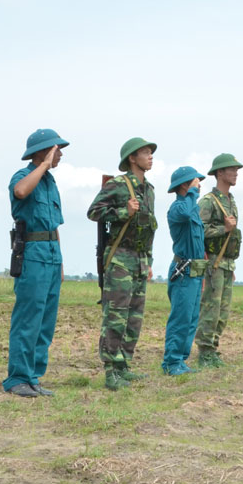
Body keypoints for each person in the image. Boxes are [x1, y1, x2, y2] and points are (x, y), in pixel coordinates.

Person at [2, 129, 70, 398]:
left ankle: (33, 377)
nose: (61, 154)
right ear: (43, 151)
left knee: (45, 320)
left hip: (52, 253)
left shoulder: (50, 182)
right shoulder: (23, 176)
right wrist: (42, 164)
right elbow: (20, 192)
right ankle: (17, 378)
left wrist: (61, 262)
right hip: (32, 252)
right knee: (28, 318)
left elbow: (55, 225)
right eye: (56, 149)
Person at [88, 137, 159, 390]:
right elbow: (94, 211)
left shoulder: (148, 189)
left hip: (139, 259)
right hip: (119, 258)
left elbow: (148, 228)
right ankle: (110, 370)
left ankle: (124, 365)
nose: (150, 156)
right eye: (145, 152)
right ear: (132, 158)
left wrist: (148, 261)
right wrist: (122, 212)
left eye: (151, 152)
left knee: (134, 317)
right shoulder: (119, 185)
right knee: (116, 316)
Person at [195, 153, 243, 368]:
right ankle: (205, 351)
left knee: (223, 311)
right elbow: (198, 230)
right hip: (213, 262)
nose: (235, 173)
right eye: (231, 169)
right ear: (220, 173)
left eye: (236, 170)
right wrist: (224, 228)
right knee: (210, 309)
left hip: (226, 262)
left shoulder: (230, 201)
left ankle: (213, 348)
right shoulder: (208, 201)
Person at [162, 166, 208, 376]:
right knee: (180, 317)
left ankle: (181, 360)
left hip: (196, 270)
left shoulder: (192, 208)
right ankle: (171, 362)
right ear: (184, 185)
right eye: (194, 181)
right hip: (183, 270)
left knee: (191, 318)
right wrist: (193, 192)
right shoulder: (178, 208)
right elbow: (186, 212)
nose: (199, 185)